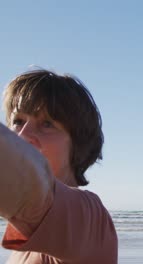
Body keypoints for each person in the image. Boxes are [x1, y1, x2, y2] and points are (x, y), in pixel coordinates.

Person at [0, 70, 118, 263]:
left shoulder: (90, 219)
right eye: (18, 121)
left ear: (77, 144)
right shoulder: (26, 233)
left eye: (47, 124)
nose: (22, 135)